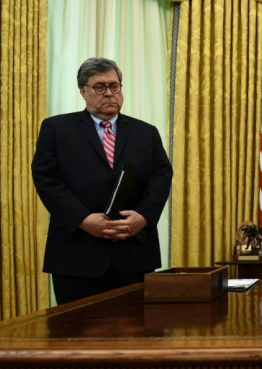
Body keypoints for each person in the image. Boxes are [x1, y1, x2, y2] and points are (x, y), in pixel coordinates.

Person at [31, 57, 173, 304]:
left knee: (136, 336)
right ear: (83, 91)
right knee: (76, 336)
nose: (109, 93)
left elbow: (161, 177)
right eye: (99, 87)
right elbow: (46, 178)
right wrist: (83, 220)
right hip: (76, 255)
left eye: (114, 86)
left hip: (133, 255)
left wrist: (144, 217)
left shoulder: (145, 132)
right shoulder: (57, 128)